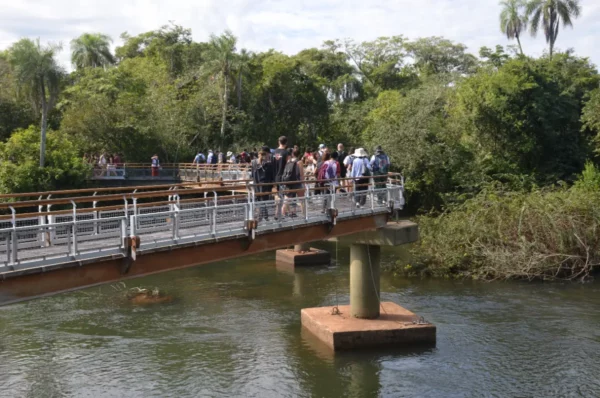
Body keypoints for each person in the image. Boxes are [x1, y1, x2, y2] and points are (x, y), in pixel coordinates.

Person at [251, 146, 274, 221]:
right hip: (265, 185)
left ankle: (262, 216)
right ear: (266, 154)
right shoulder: (268, 165)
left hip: (256, 185)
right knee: (264, 201)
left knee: (259, 201)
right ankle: (264, 217)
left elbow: (252, 175)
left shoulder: (253, 162)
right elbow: (271, 176)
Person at [281, 148, 304, 218]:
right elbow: (301, 174)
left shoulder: (288, 161)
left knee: (286, 200)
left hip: (289, 183)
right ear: (299, 154)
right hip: (297, 183)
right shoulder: (299, 162)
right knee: (302, 200)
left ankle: (282, 215)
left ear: (292, 154)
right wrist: (303, 184)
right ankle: (305, 215)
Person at [272, 136, 289, 220]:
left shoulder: (274, 152)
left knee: (277, 195)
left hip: (275, 177)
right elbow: (288, 165)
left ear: (279, 142)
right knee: (282, 196)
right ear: (286, 143)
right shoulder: (286, 153)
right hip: (283, 177)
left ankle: (277, 213)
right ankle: (278, 214)